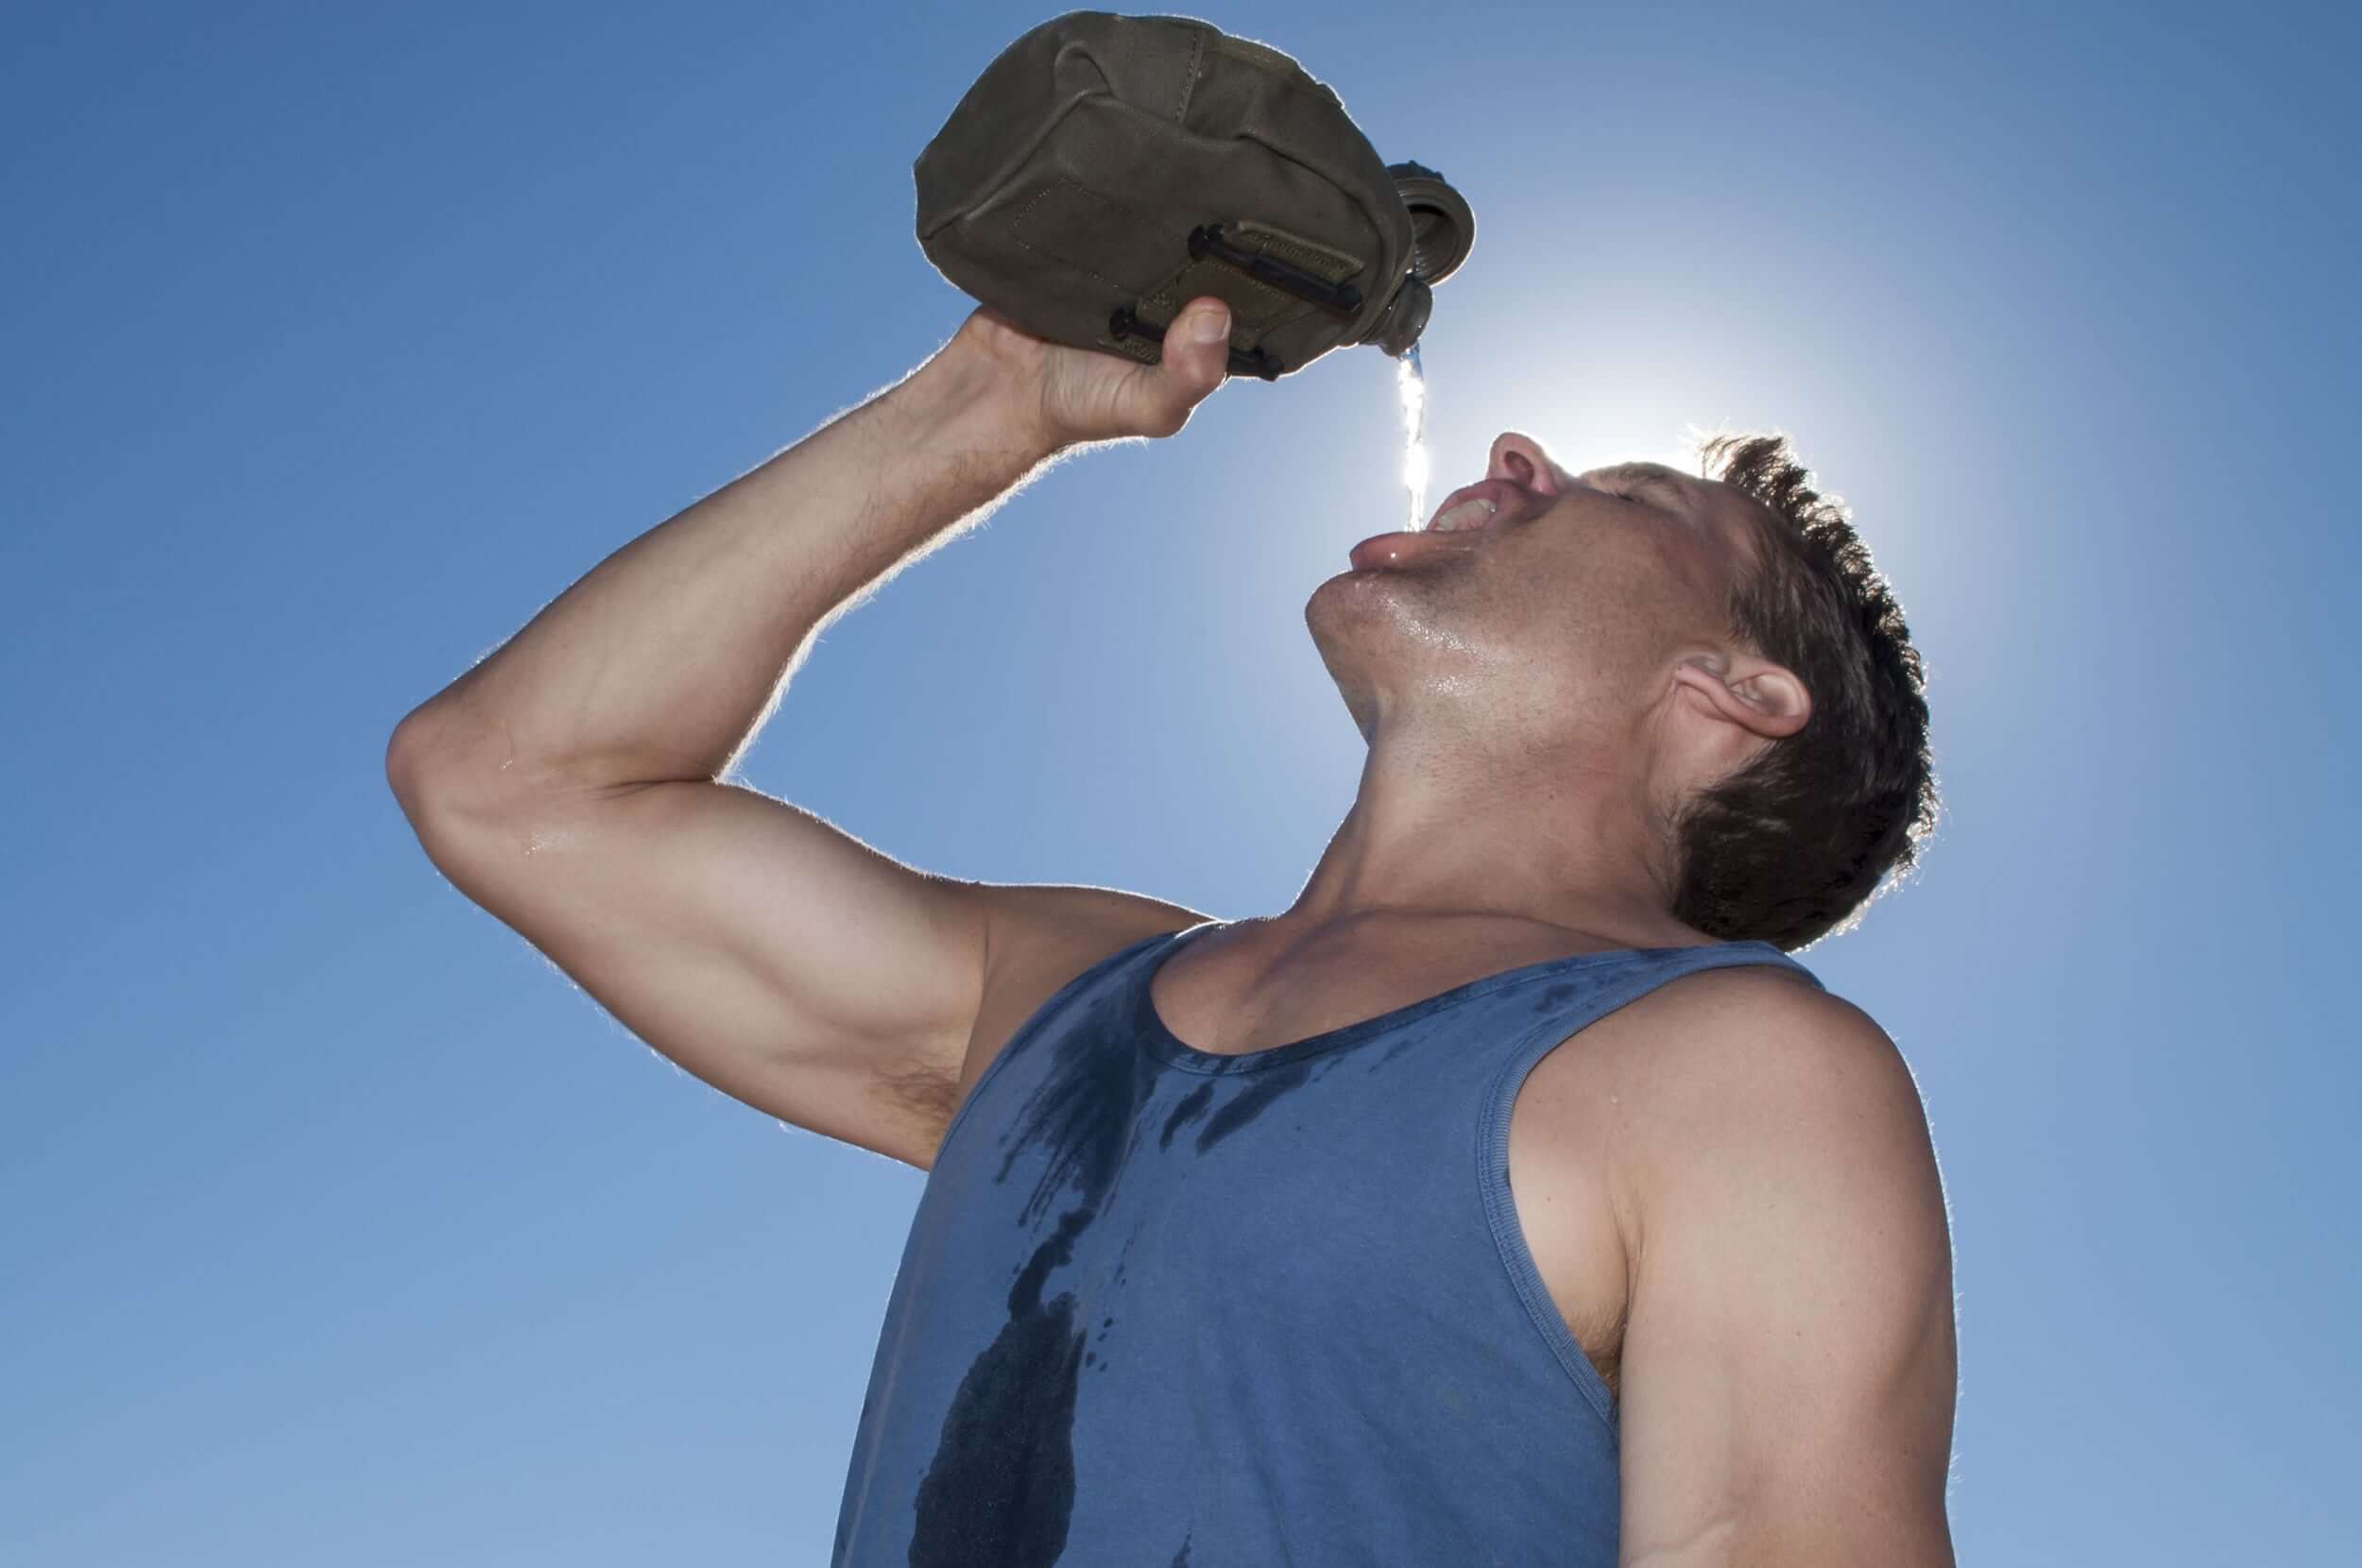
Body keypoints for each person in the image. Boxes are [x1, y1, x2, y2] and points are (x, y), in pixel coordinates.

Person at [387, 292, 1958, 1566]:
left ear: (1739, 696)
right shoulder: (1062, 991)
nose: (1523, 453)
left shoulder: (1732, 1072)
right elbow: (509, 779)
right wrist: (988, 401)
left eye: (1627, 500)